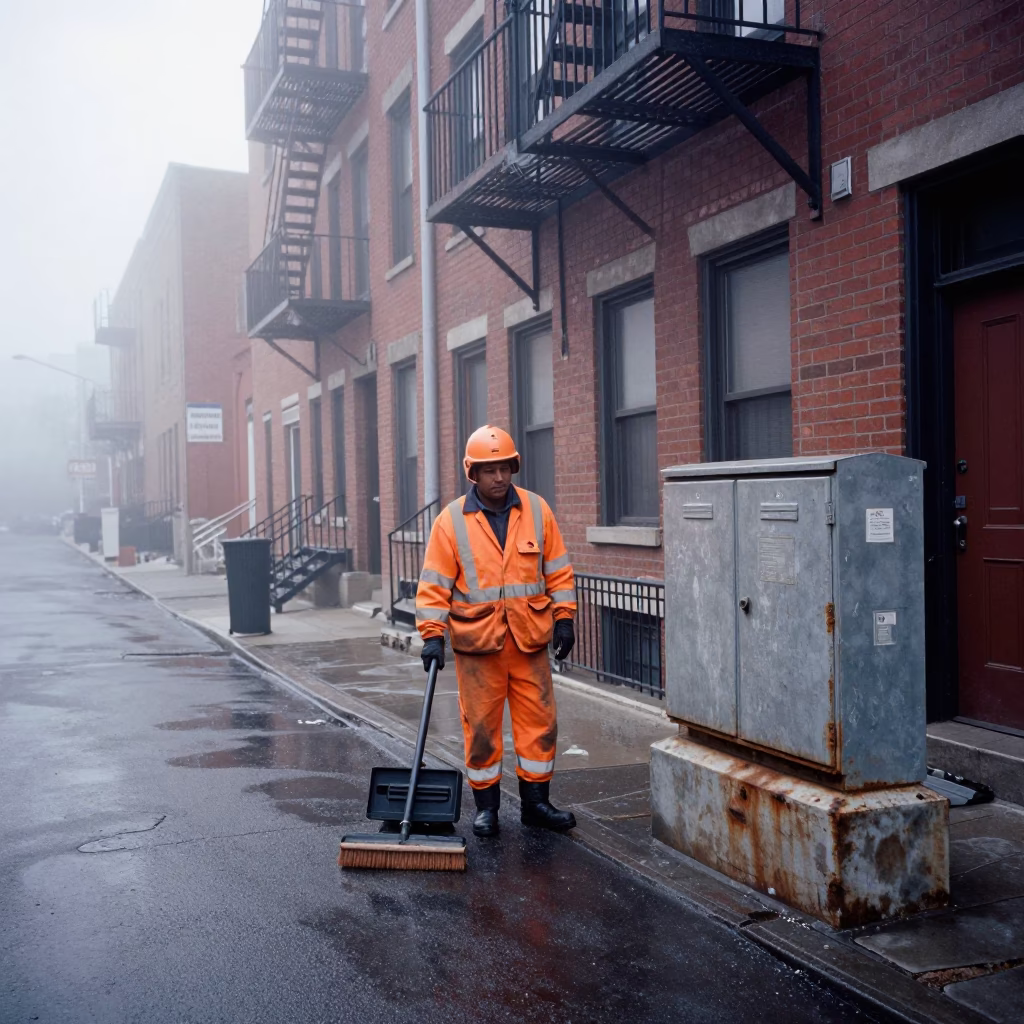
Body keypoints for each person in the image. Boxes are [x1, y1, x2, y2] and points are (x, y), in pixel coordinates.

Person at [415, 425, 577, 838]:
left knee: (539, 723)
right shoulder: (451, 521)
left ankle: (535, 804)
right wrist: (432, 635)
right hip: (479, 645)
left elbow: (558, 570)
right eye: (490, 470)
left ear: (514, 467)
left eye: (505, 468)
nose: (499, 477)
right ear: (473, 473)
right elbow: (434, 584)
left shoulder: (537, 510)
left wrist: (565, 618)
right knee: (482, 729)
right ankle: (487, 808)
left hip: (528, 641)